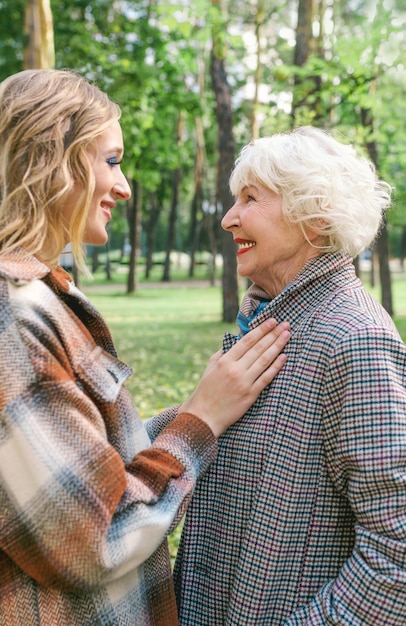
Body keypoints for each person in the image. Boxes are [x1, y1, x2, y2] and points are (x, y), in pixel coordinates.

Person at [0, 69, 290, 626]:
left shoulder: (29, 298)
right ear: (50, 160)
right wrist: (197, 423)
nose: (124, 187)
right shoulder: (7, 315)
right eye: (112, 160)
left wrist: (206, 409)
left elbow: (74, 465)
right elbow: (96, 540)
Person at [166, 126, 406, 624]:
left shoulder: (354, 339)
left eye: (250, 199)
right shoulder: (272, 324)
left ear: (314, 217)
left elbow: (396, 556)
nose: (230, 218)